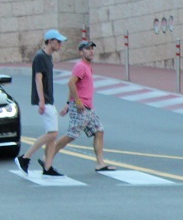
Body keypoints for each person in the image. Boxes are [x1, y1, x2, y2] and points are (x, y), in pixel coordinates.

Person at [48, 41, 115, 174]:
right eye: (87, 49)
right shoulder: (80, 66)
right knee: (71, 135)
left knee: (99, 131)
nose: (91, 51)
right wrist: (76, 102)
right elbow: (70, 83)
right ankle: (47, 157)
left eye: (91, 49)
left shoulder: (87, 66)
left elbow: (75, 85)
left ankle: (100, 164)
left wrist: (67, 103)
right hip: (81, 107)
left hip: (89, 108)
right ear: (81, 52)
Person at [17, 29, 67, 176]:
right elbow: (38, 79)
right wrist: (42, 101)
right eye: (58, 42)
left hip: (48, 99)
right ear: (50, 41)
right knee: (52, 133)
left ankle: (47, 167)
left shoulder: (48, 57)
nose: (60, 45)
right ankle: (25, 158)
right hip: (44, 100)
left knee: (52, 134)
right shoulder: (40, 57)